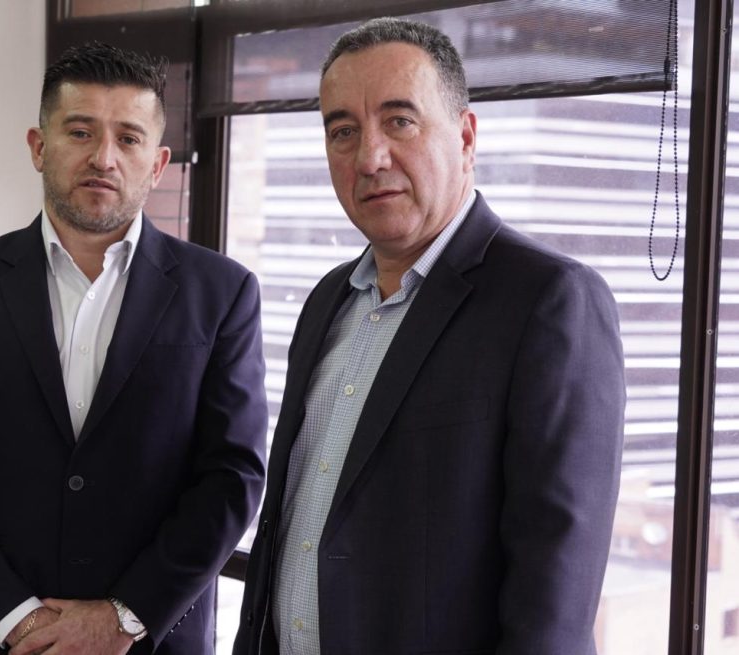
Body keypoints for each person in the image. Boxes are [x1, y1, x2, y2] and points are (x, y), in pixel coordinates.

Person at [234, 17, 625, 655]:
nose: (370, 157)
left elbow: (553, 597)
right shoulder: (329, 299)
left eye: (400, 121)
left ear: (465, 136)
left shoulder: (549, 300)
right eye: (343, 130)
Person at [0, 42, 268, 655]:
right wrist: (17, 619)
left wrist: (122, 618)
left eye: (128, 138)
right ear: (39, 147)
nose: (103, 157)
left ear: (158, 163)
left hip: (149, 640)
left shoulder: (223, 292)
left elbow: (233, 478)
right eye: (80, 131)